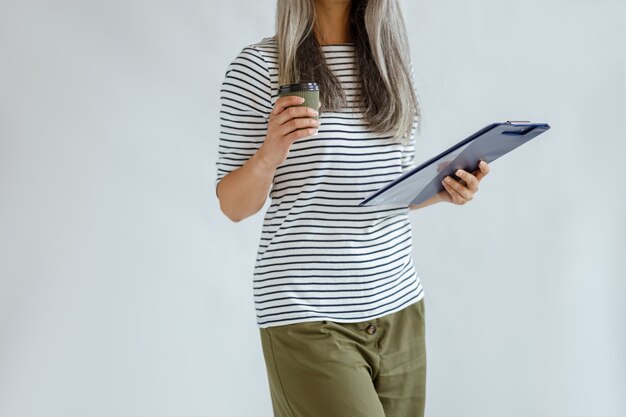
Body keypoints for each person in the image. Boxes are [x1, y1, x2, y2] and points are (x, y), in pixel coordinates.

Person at [215, 1, 490, 416]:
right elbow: (233, 206)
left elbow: (386, 195)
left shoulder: (391, 64)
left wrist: (444, 190)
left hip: (398, 305)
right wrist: (269, 153)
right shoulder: (259, 67)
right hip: (306, 312)